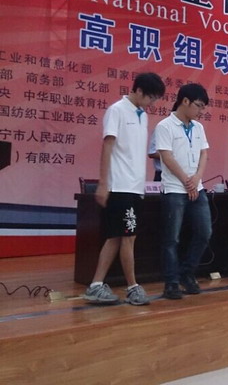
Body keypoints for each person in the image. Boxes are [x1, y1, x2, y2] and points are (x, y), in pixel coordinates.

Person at [84, 72, 165, 305]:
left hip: (135, 187)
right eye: (150, 98)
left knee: (116, 237)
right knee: (128, 237)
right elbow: (107, 147)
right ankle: (133, 287)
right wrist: (103, 183)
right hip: (120, 186)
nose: (152, 103)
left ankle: (96, 285)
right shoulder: (117, 111)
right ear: (138, 90)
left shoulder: (142, 116)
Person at [156, 83, 212, 299]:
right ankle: (171, 282)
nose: (201, 111)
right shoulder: (165, 126)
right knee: (171, 239)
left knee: (204, 233)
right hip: (174, 189)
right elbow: (166, 156)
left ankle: (186, 273)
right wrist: (186, 181)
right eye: (198, 105)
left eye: (203, 107)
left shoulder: (199, 127)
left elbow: (204, 153)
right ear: (185, 101)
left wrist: (196, 178)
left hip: (197, 187)